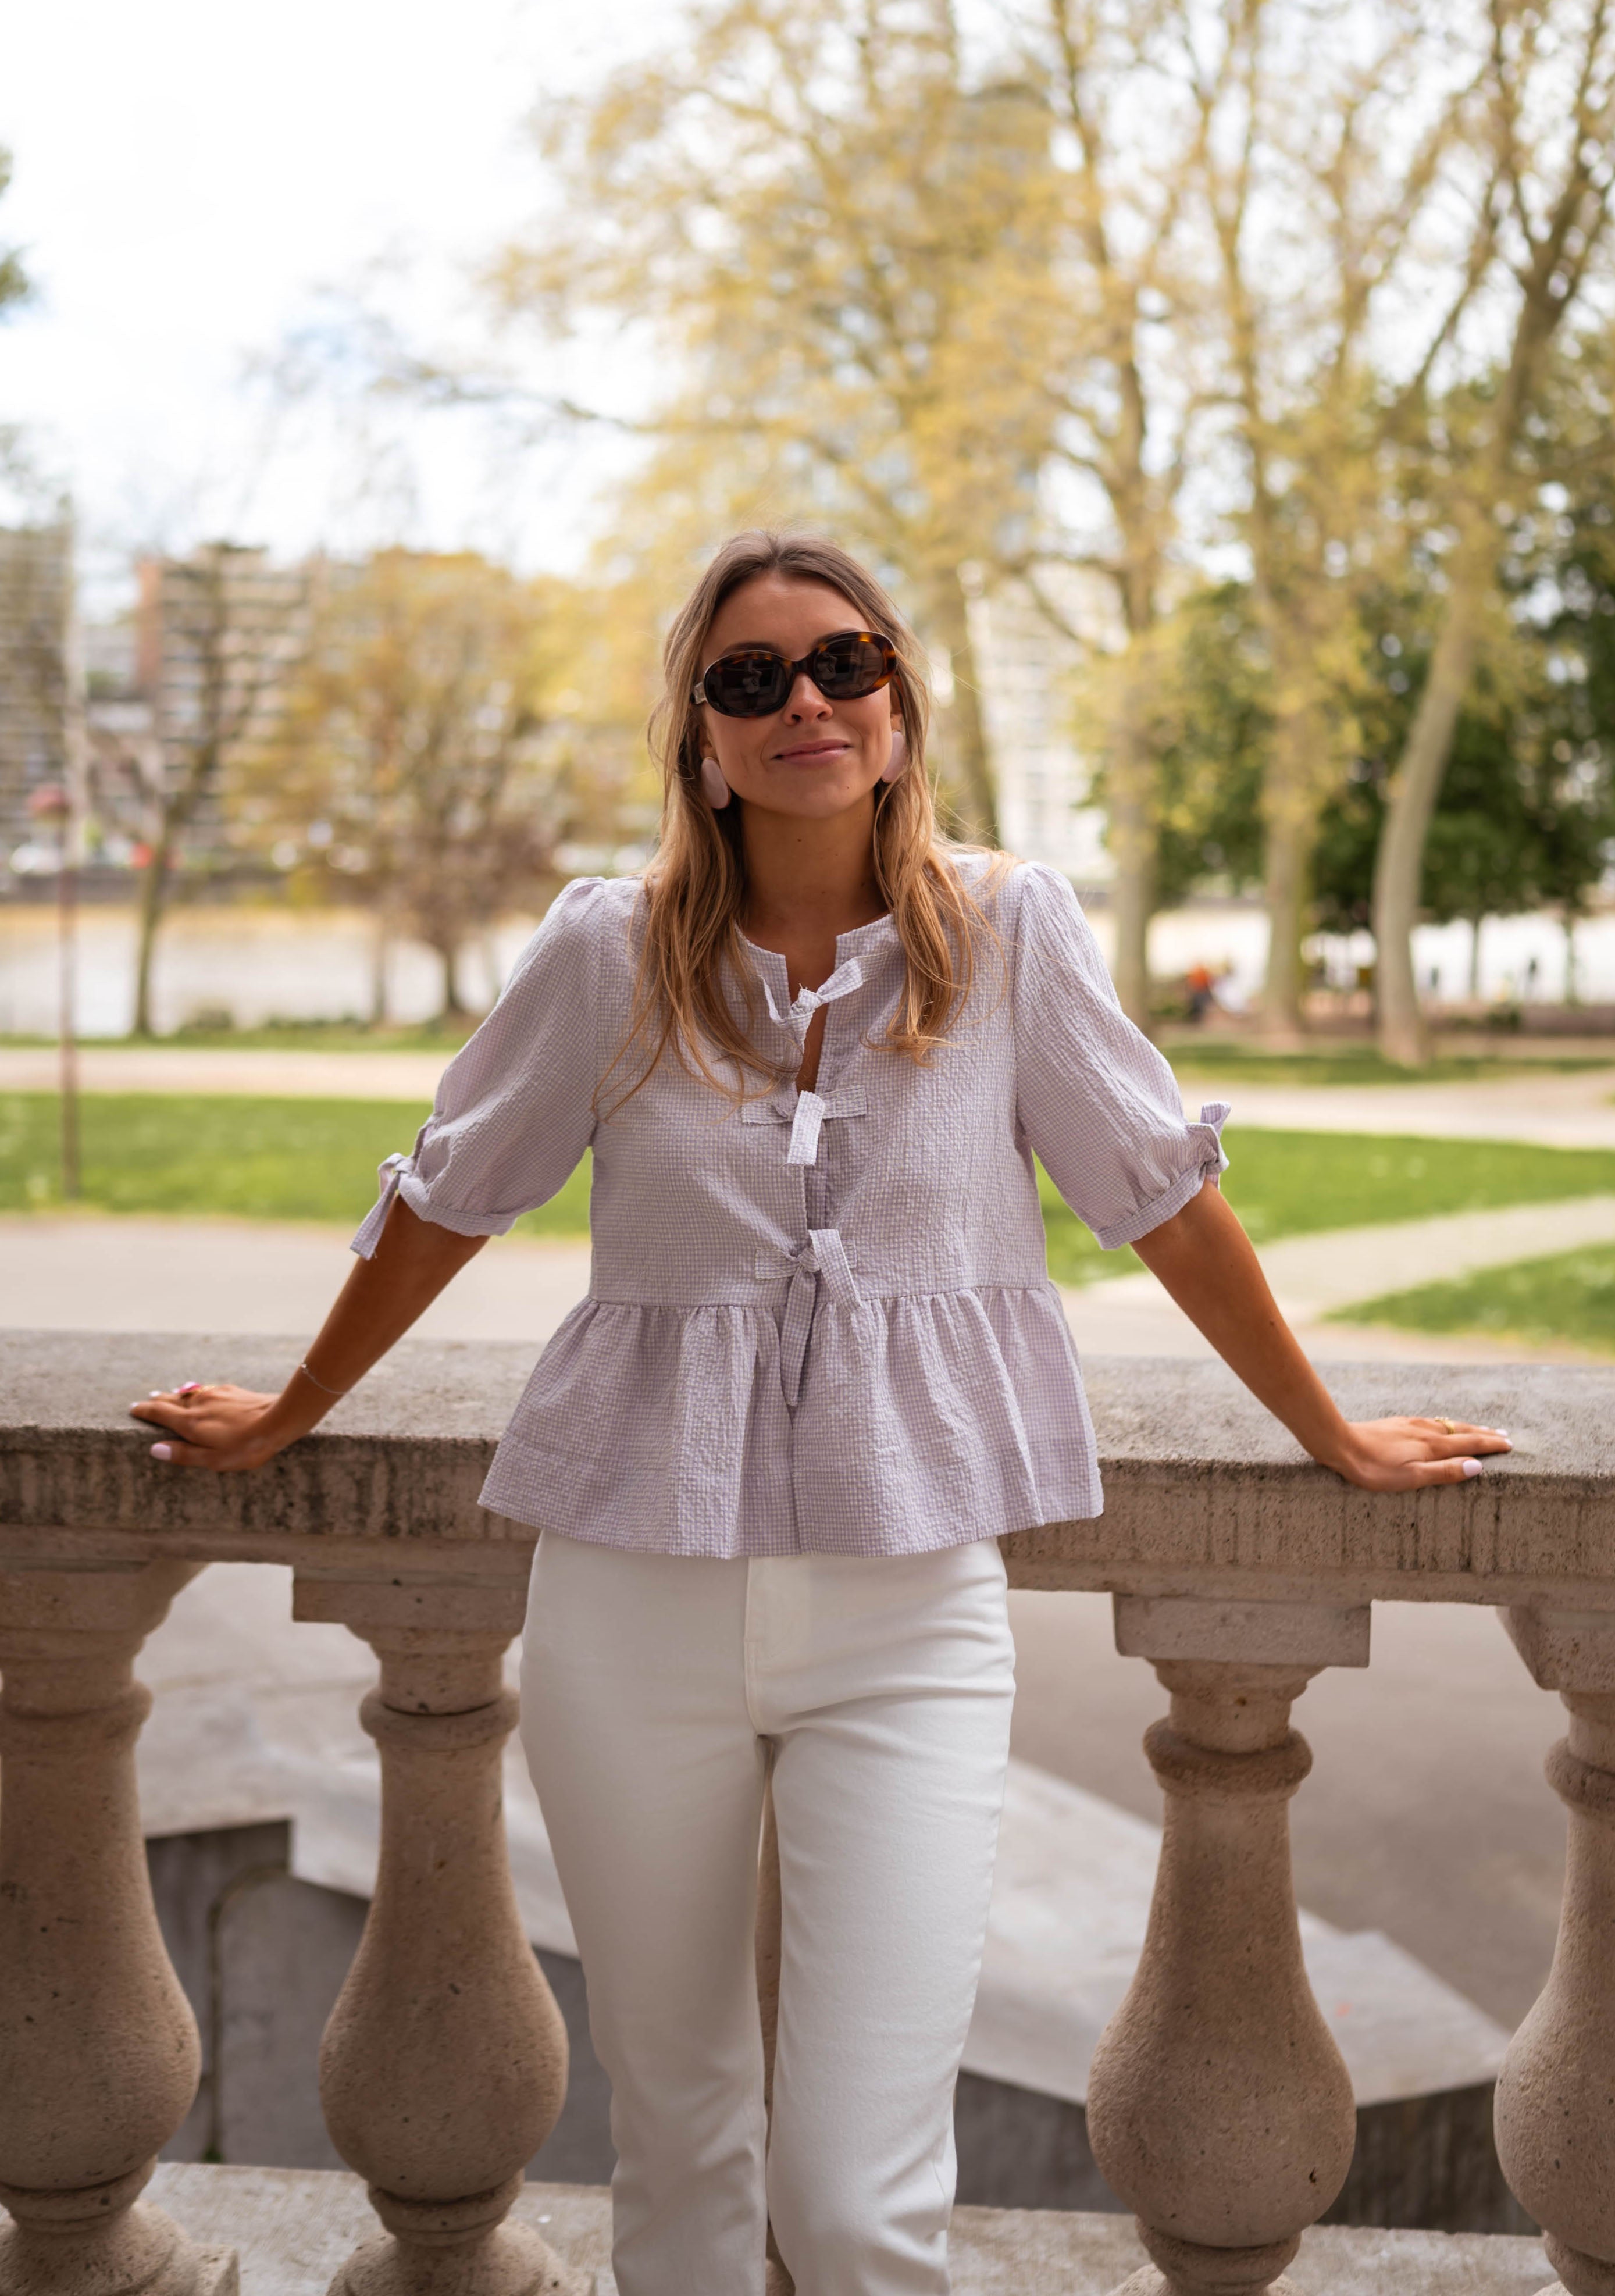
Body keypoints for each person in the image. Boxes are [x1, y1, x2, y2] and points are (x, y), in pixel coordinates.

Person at [131, 532, 1510, 2296]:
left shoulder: (1007, 931)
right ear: (698, 737)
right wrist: (288, 1409)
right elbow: (451, 1196)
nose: (806, 702)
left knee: (860, 2193)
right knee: (684, 2140)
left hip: (907, 1616)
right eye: (750, 677)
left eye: (843, 662)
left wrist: (1332, 1429)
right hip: (631, 1604)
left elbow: (1160, 1193)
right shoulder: (605, 950)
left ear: (899, 702)